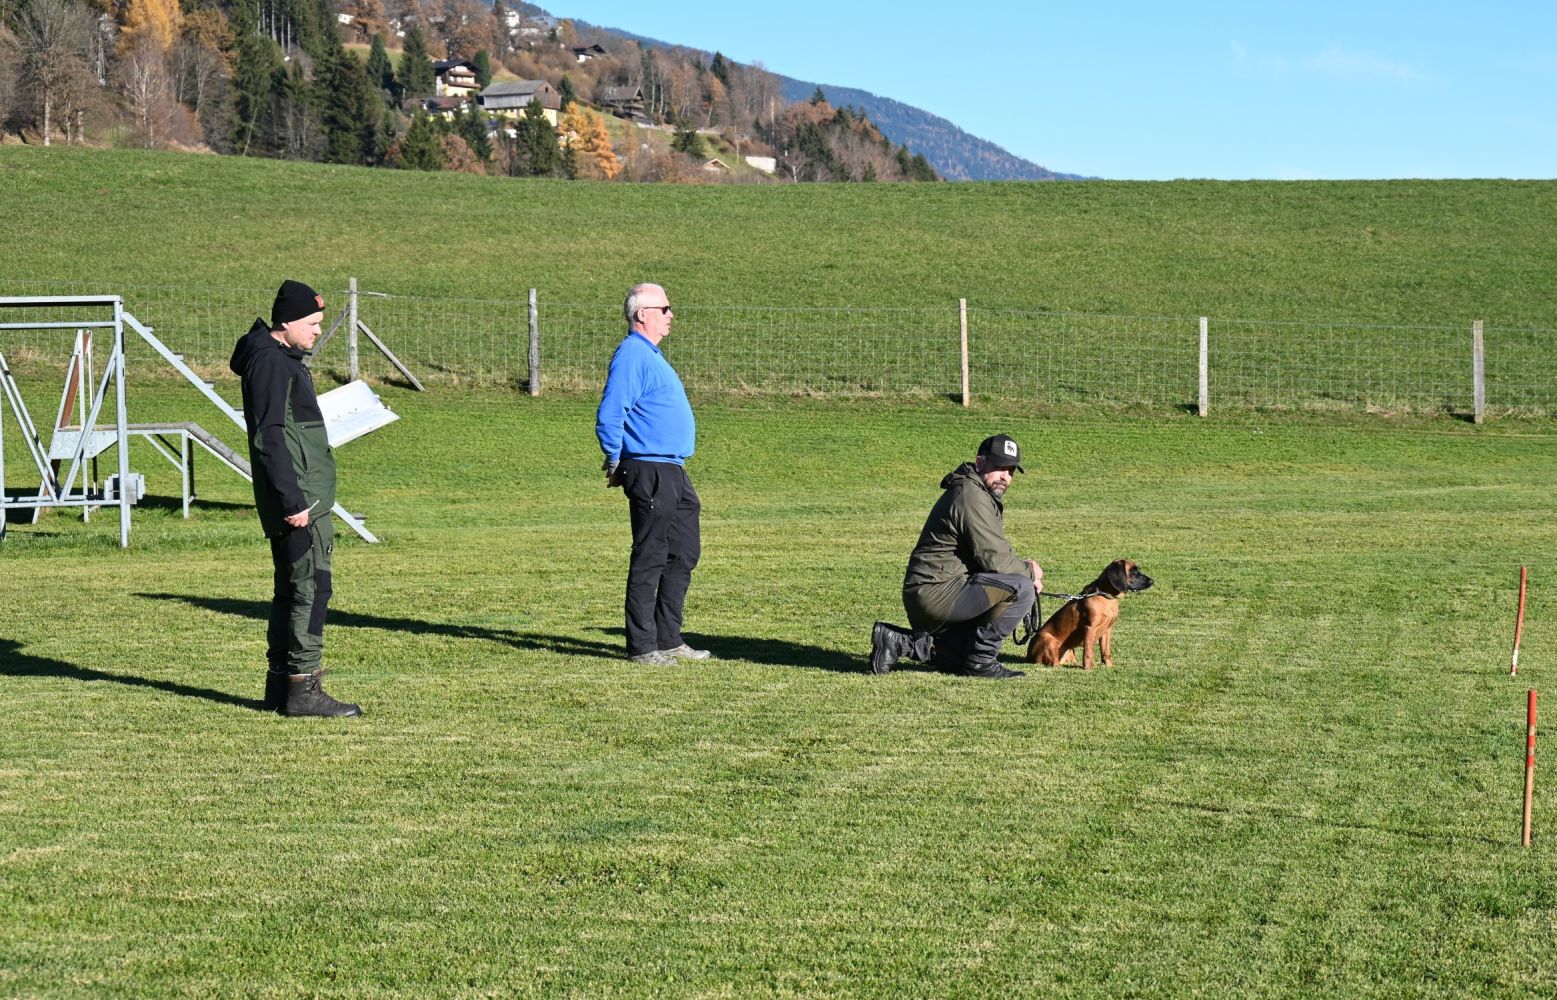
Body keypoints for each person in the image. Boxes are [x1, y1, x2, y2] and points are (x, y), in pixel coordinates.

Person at [230, 280, 361, 717]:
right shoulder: (271, 363)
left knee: (290, 589)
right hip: (300, 499)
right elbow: (270, 435)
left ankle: (281, 687)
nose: (318, 331)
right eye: (312, 323)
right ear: (286, 322)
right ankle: (304, 688)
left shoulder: (277, 358)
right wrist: (293, 501)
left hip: (299, 494)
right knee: (311, 588)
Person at [595, 283, 710, 666]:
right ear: (643, 314)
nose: (671, 314)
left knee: (683, 551)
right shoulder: (632, 354)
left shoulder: (651, 355)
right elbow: (611, 413)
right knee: (651, 555)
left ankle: (668, 638)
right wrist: (616, 461)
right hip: (649, 468)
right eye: (665, 308)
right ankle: (643, 646)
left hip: (672, 469)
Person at [871, 434, 1042, 680]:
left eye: (1011, 470)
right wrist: (1031, 572)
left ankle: (897, 642)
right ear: (980, 463)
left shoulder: (975, 492)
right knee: (1021, 587)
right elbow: (995, 559)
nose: (1005, 476)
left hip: (933, 593)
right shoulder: (971, 496)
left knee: (962, 656)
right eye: (999, 467)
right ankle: (981, 664)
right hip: (937, 593)